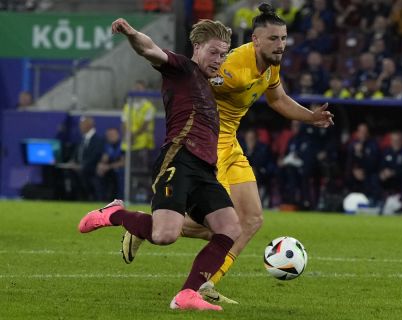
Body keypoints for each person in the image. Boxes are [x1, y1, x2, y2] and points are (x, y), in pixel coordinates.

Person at [121, 2, 334, 304]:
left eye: (284, 38)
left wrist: (311, 117)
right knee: (219, 224)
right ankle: (147, 225)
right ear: (255, 39)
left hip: (230, 143)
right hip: (207, 144)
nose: (281, 45)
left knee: (252, 220)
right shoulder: (232, 68)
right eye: (274, 39)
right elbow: (195, 79)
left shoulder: (271, 64)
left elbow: (278, 98)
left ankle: (207, 283)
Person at [78, 18, 241, 311]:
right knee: (165, 235)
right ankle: (114, 214)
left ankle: (187, 295)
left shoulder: (206, 81)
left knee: (230, 228)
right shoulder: (181, 68)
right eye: (214, 52)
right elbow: (150, 49)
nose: (219, 59)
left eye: (224, 54)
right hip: (178, 159)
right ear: (198, 47)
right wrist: (131, 34)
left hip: (205, 169)